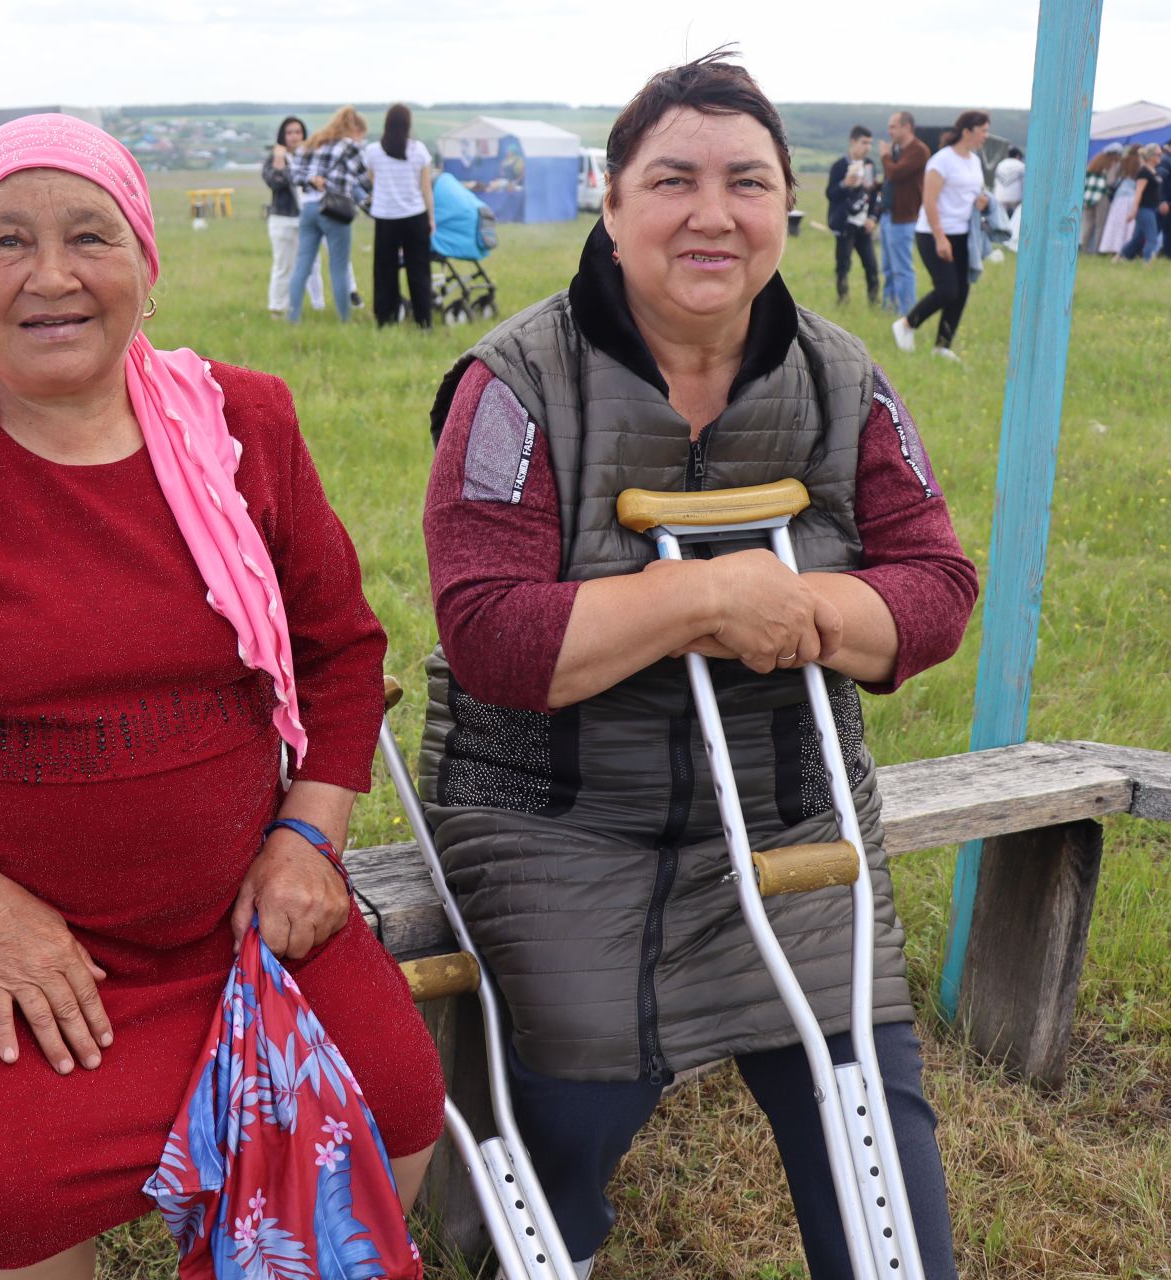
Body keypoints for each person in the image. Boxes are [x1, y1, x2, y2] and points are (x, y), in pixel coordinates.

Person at [0, 114, 444, 1279]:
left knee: (394, 1091)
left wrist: (306, 842)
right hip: (22, 940)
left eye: (91, 234)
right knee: (21, 1185)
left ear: (145, 263)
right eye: (7, 241)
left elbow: (341, 651)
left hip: (245, 912)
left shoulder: (247, 422)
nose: (53, 275)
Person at [417, 53, 976, 1280]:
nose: (711, 213)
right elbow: (494, 634)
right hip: (564, 821)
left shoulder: (843, 380)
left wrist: (806, 606)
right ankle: (500, 1221)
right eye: (672, 179)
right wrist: (705, 593)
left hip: (789, 804)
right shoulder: (513, 386)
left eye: (748, 182)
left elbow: (935, 592)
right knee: (557, 1155)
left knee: (878, 1158)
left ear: (790, 202)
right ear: (612, 206)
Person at [893, 110, 991, 362]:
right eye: (983, 131)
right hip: (933, 233)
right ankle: (906, 324)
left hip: (963, 234)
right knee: (947, 290)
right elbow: (929, 201)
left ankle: (942, 346)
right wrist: (940, 237)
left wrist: (980, 202)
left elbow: (970, 193)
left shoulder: (974, 160)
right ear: (967, 131)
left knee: (962, 291)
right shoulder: (941, 160)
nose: (986, 136)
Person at [286, 106, 371, 324]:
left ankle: (292, 317)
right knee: (339, 267)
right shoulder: (350, 146)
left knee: (303, 264)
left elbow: (294, 174)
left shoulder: (313, 142)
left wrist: (312, 179)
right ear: (356, 129)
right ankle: (344, 319)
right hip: (335, 209)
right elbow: (365, 179)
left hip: (309, 208)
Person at [364, 103, 437, 329]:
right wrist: (431, 219)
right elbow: (425, 188)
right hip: (415, 216)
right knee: (419, 270)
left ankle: (385, 319)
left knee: (384, 270)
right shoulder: (419, 151)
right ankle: (424, 321)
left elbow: (373, 180)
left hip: (386, 217)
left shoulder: (373, 151)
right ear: (408, 124)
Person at [261, 115, 325, 316]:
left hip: (307, 217)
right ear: (283, 135)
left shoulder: (310, 157)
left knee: (313, 264)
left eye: (298, 132)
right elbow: (274, 182)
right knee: (283, 265)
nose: (294, 136)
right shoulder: (274, 158)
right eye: (289, 132)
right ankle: (277, 308)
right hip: (282, 218)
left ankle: (317, 305)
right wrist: (279, 159)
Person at [878, 111, 929, 316]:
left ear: (906, 127)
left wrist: (884, 157)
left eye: (893, 126)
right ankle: (888, 308)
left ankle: (907, 313)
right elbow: (891, 180)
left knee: (902, 269)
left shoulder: (918, 150)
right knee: (889, 269)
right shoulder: (898, 149)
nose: (889, 131)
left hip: (903, 218)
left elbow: (896, 174)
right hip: (888, 216)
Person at [826, 125, 880, 306]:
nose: (868, 147)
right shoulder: (839, 166)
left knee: (872, 266)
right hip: (845, 224)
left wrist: (873, 218)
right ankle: (843, 301)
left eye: (870, 143)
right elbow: (831, 194)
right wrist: (844, 184)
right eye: (864, 142)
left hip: (864, 225)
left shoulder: (870, 165)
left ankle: (874, 303)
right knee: (843, 265)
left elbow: (874, 195)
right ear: (853, 142)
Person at [1119, 143, 1165, 262]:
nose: (1161, 156)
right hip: (1145, 209)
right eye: (1158, 154)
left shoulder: (1154, 171)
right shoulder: (1144, 172)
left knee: (1137, 239)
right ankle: (1147, 261)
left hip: (1151, 208)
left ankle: (1119, 258)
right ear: (1150, 156)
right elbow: (1138, 193)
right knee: (1152, 237)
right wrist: (1133, 212)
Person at [1097, 144, 1143, 256]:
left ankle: (1114, 248)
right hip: (1133, 195)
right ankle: (1129, 249)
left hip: (1119, 197)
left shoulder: (1121, 162)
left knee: (1117, 224)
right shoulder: (1141, 164)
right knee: (1131, 226)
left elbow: (1111, 181)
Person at [1082, 143, 1124, 252]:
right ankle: (1097, 249)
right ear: (1115, 154)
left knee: (1088, 224)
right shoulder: (1112, 164)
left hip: (1088, 197)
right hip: (1102, 196)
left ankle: (1085, 248)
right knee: (1100, 225)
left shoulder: (1094, 162)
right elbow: (1110, 182)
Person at [993, 145, 1025, 218]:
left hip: (999, 197)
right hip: (1015, 199)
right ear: (1018, 156)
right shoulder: (1021, 165)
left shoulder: (1000, 164)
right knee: (1015, 220)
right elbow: (1024, 183)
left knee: (1001, 219)